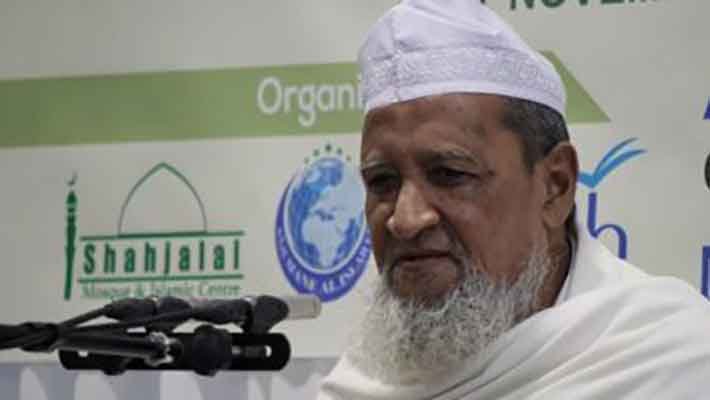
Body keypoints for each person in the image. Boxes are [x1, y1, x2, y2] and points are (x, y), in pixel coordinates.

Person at [316, 0, 710, 399]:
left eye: (450, 175)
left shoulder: (668, 363)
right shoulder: (363, 383)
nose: (406, 219)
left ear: (555, 186)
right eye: (382, 182)